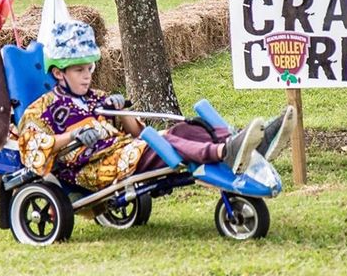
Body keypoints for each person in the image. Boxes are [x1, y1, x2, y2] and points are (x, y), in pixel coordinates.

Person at [17, 20, 295, 193]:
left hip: (125, 150)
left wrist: (121, 109)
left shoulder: (95, 97)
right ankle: (225, 151)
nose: (88, 75)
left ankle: (245, 144)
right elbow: (31, 147)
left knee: (184, 128)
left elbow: (136, 131)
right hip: (95, 166)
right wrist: (73, 136)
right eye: (79, 70)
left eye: (89, 68)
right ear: (58, 73)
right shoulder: (41, 108)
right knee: (168, 140)